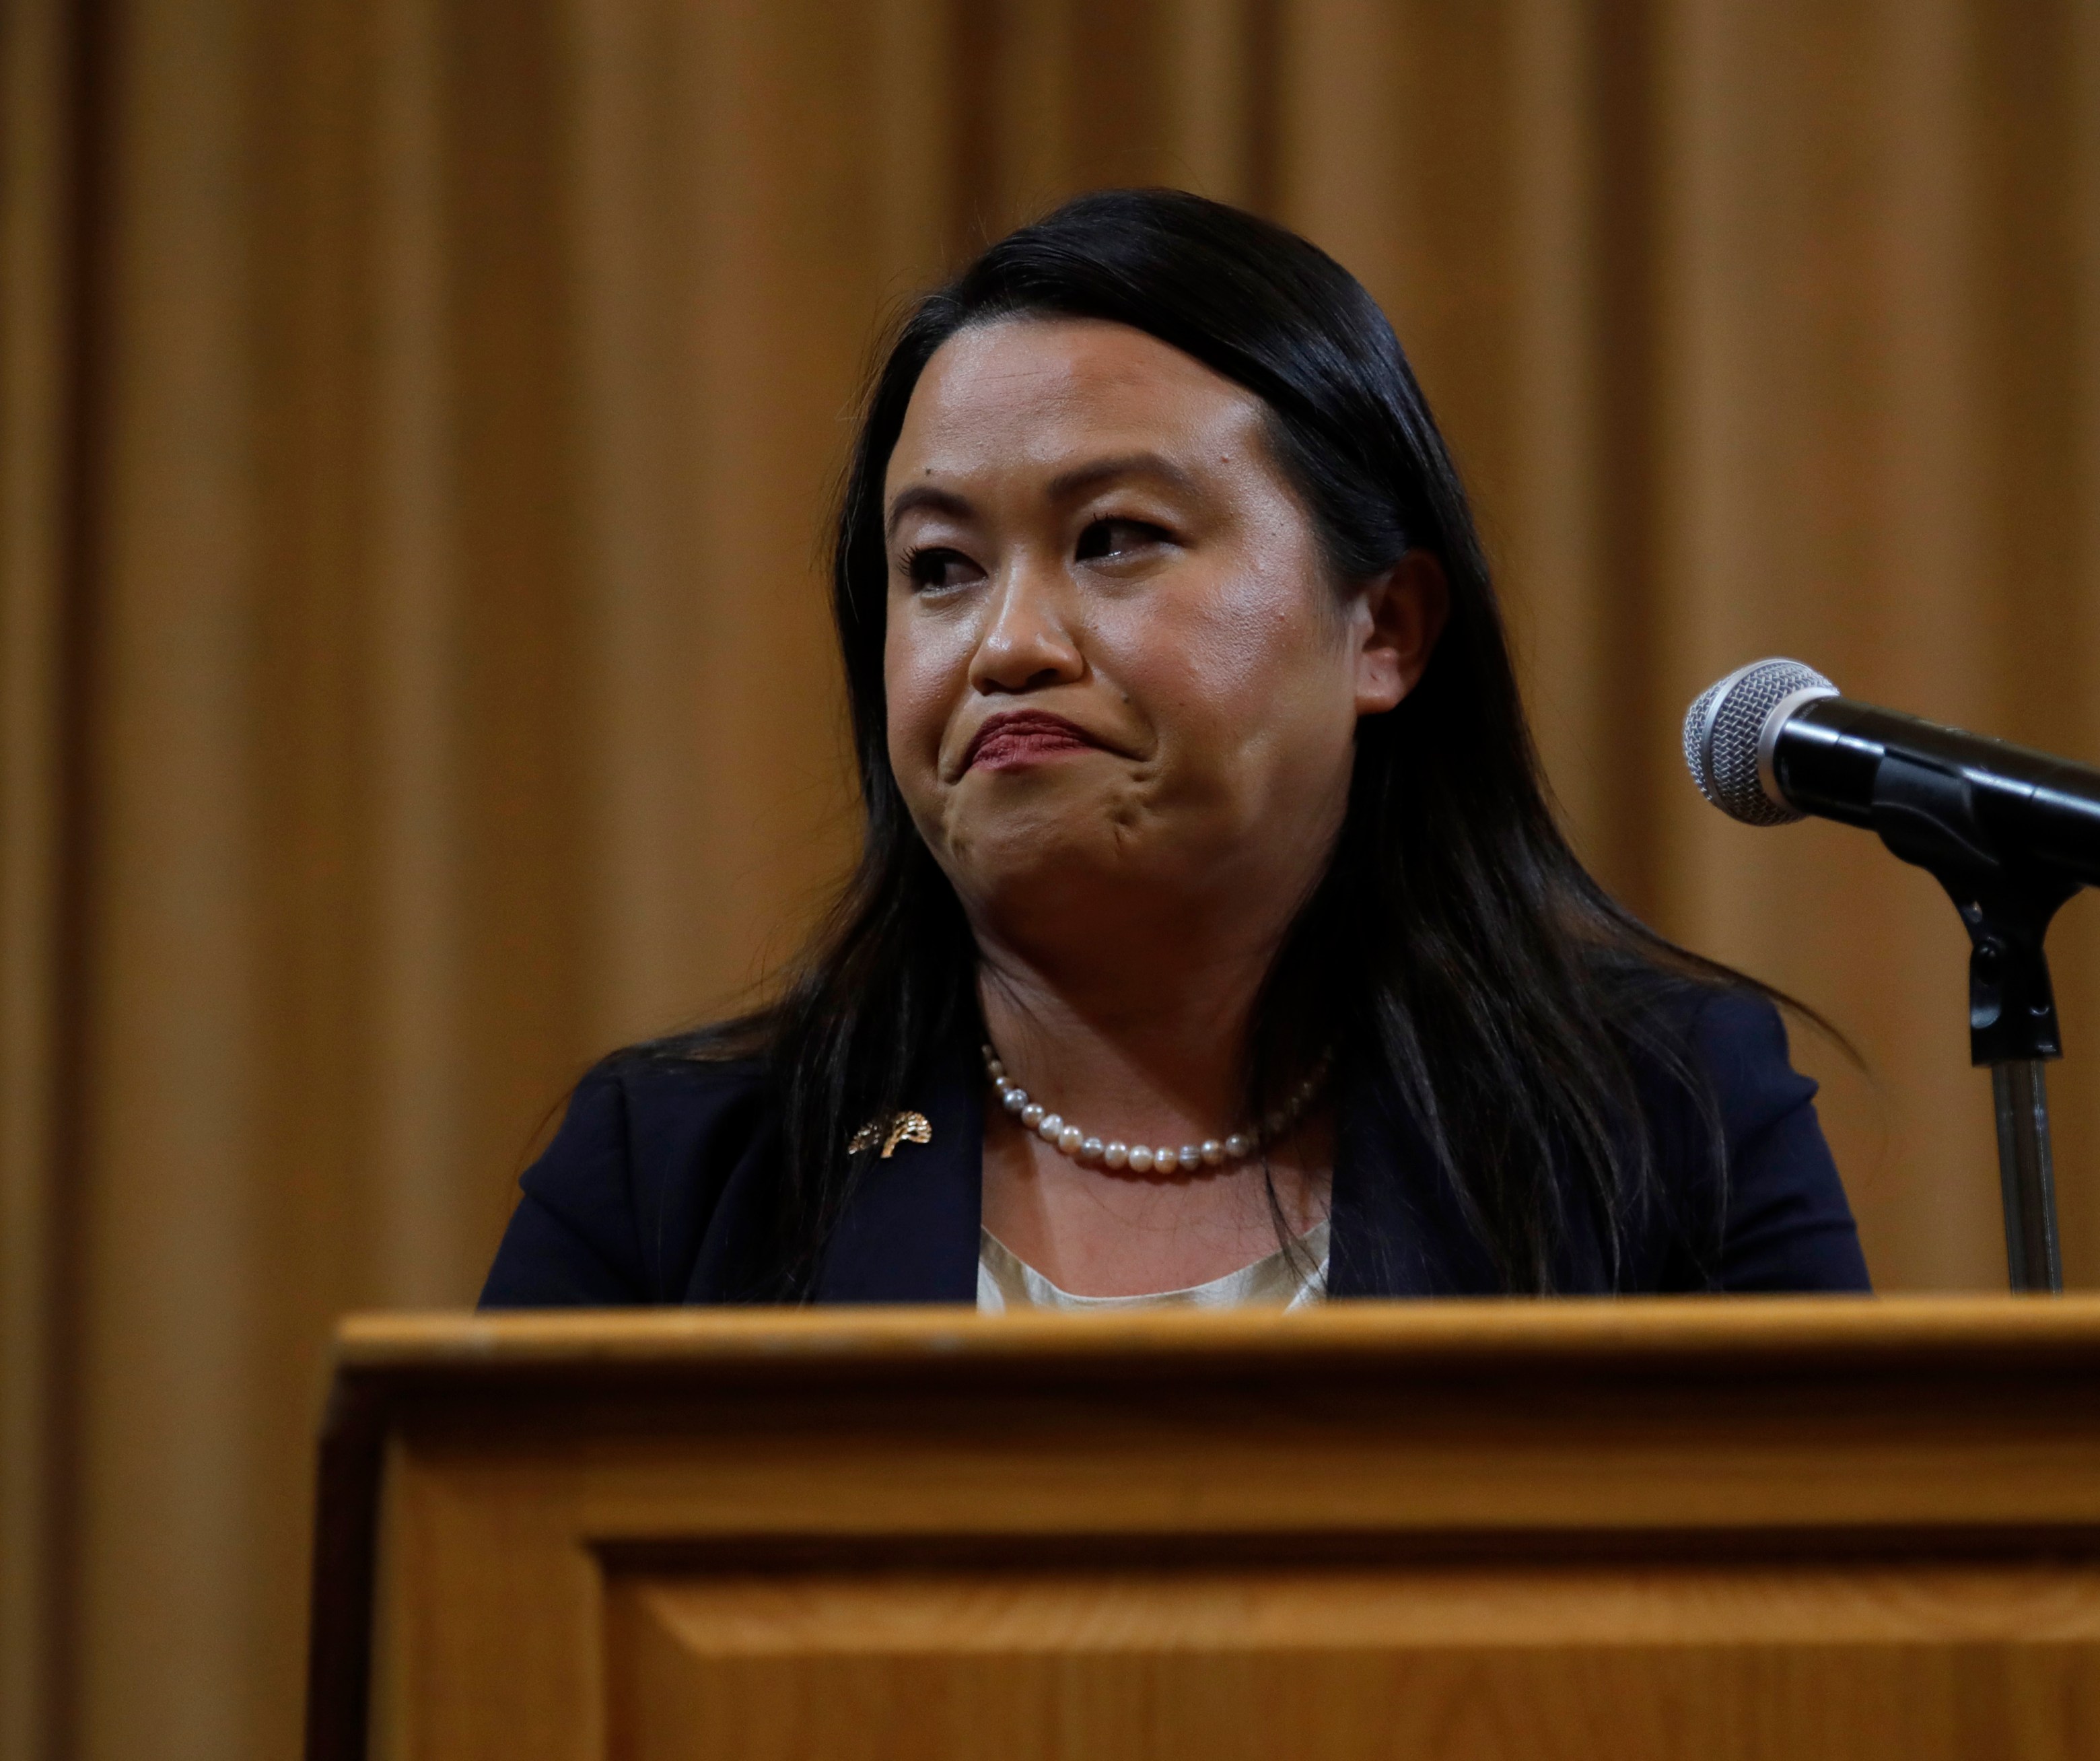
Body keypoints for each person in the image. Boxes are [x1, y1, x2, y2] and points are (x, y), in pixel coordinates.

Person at [480, 188, 1868, 1311]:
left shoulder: (1661, 1127)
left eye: (1116, 540)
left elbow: (1834, 1641)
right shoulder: (673, 1180)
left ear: (1383, 627)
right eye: (942, 568)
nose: (1008, 643)